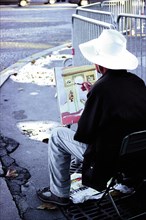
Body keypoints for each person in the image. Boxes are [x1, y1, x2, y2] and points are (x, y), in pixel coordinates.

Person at [37, 29, 146, 206]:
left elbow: (84, 134)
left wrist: (89, 105)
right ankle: (128, 181)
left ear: (99, 65)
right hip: (137, 157)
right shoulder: (137, 82)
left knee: (57, 135)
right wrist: (93, 94)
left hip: (109, 159)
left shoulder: (101, 89)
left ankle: (59, 194)